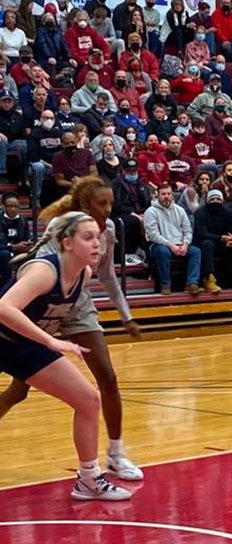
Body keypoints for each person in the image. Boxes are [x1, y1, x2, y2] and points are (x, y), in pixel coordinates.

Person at [0, 178, 145, 482]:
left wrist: (126, 315)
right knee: (18, 391)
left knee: (105, 377)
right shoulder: (63, 227)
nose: (108, 209)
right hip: (43, 300)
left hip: (74, 300)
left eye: (109, 202)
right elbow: (41, 267)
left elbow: (107, 278)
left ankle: (113, 456)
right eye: (101, 203)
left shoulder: (106, 232)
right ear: (84, 204)